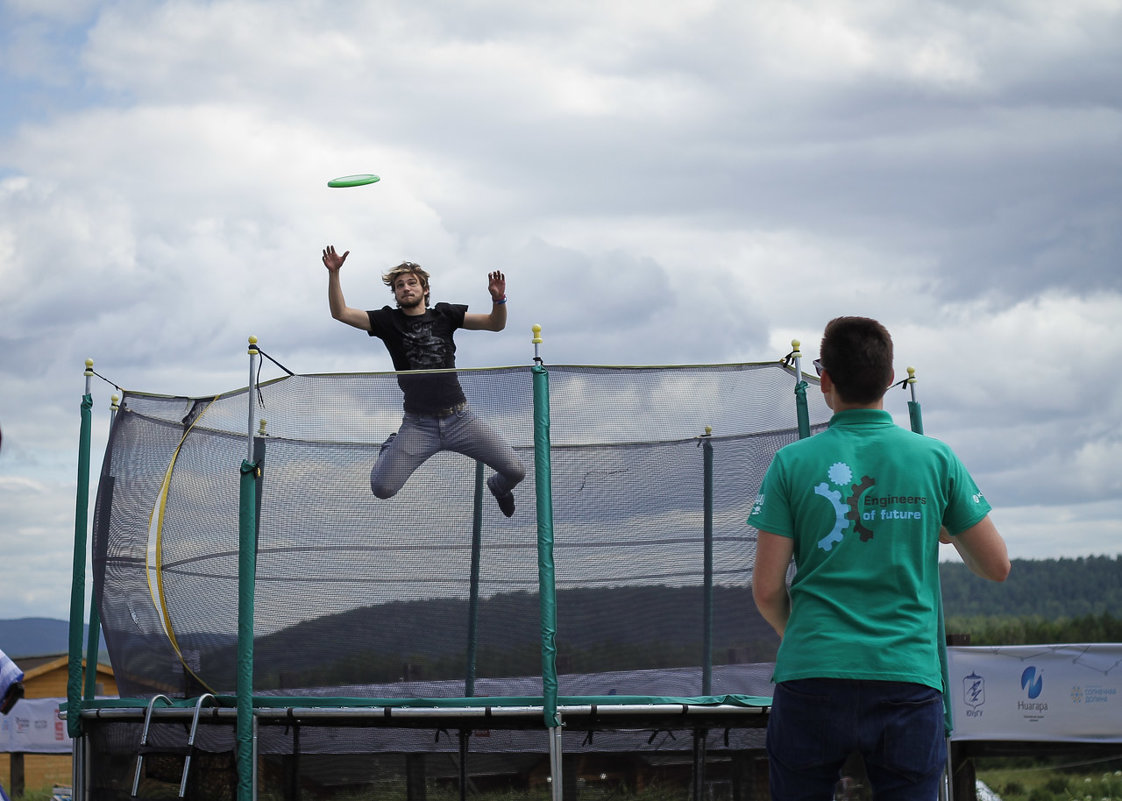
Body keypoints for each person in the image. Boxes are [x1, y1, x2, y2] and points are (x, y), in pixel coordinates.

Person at [748, 316, 1010, 801]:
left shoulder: (791, 463)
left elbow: (766, 590)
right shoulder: (935, 460)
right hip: (906, 678)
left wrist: (813, 640)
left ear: (824, 380)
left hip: (812, 672)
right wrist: (945, 529)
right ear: (889, 379)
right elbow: (995, 566)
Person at [322, 245, 526, 516]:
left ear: (425, 290)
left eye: (411, 283)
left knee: (516, 471)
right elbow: (341, 313)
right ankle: (389, 447)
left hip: (460, 419)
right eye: (399, 286)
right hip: (419, 425)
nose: (406, 288)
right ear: (395, 294)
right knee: (382, 489)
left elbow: (495, 324)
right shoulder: (387, 321)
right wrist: (334, 274)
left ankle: (498, 487)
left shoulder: (445, 314)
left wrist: (499, 301)